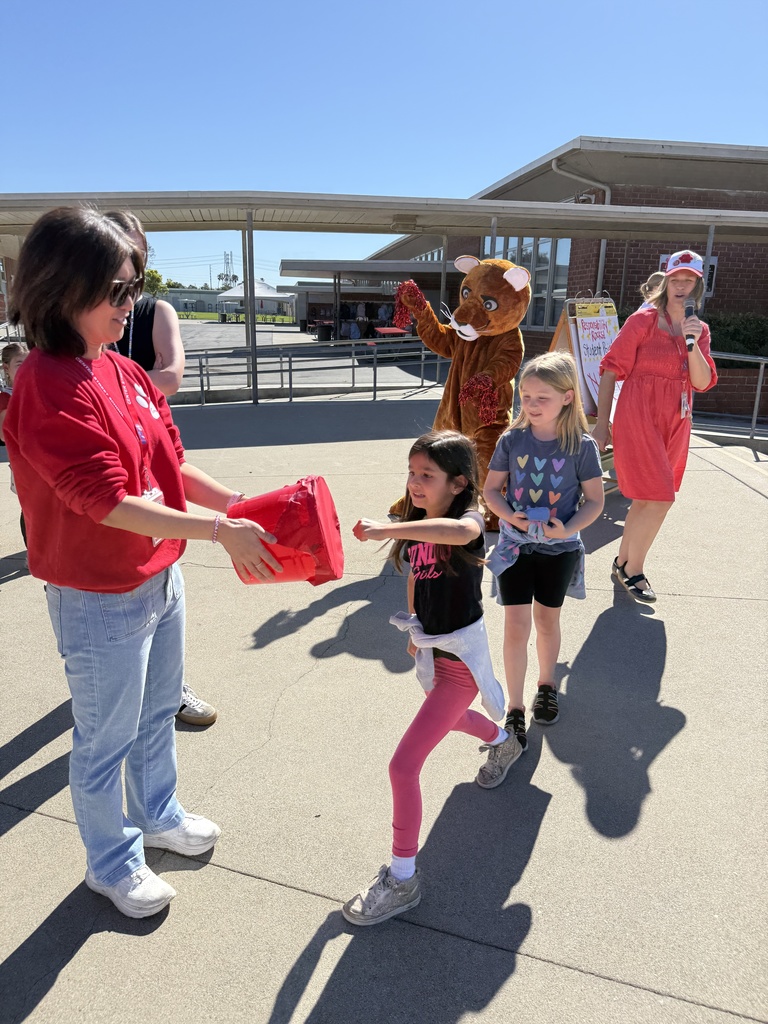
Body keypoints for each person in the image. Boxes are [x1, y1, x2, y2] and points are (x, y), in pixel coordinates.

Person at [4, 207, 282, 918]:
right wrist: (222, 529)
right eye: (117, 291)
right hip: (97, 593)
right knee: (105, 738)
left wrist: (249, 505)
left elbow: (173, 467)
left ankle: (158, 817)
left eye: (135, 287)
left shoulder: (125, 372)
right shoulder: (45, 382)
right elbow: (105, 501)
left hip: (160, 575)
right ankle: (111, 861)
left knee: (158, 713)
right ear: (64, 290)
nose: (131, 306)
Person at [342, 430, 517, 926]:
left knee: (403, 766)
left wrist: (386, 530)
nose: (415, 483)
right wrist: (416, 628)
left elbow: (460, 536)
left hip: (461, 662)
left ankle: (402, 879)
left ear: (459, 483)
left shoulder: (466, 519)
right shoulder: (419, 523)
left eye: (428, 476)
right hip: (434, 651)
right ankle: (504, 740)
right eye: (412, 473)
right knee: (454, 720)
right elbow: (417, 575)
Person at [104, 211, 214, 725]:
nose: (127, 292)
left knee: (162, 582)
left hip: (147, 439)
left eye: (136, 264)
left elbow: (172, 375)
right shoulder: (68, 364)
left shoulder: (151, 311)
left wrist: (229, 509)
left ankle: (169, 683)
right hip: (110, 470)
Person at [483, 352, 604, 750]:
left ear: (568, 398)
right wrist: (510, 519)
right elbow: (491, 491)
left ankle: (546, 685)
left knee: (547, 623)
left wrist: (566, 529)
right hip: (515, 548)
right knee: (516, 626)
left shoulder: (581, 446)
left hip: (559, 549)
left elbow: (594, 502)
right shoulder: (511, 439)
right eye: (526, 396)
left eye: (542, 398)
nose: (531, 406)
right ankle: (515, 708)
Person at [592, 250, 717, 602]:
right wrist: (602, 425)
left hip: (677, 420)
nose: (681, 286)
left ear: (698, 285)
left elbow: (702, 381)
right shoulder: (642, 320)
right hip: (639, 415)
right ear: (665, 281)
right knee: (661, 497)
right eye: (675, 279)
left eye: (688, 280)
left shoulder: (700, 329)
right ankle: (636, 570)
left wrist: (692, 344)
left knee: (649, 498)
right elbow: (610, 370)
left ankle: (622, 563)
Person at [0, 341, 28, 548]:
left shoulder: (36, 390)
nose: (25, 368)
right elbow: (4, 434)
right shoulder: (6, 397)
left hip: (45, 459)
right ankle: (33, 552)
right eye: (19, 363)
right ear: (6, 368)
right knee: (29, 509)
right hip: (24, 462)